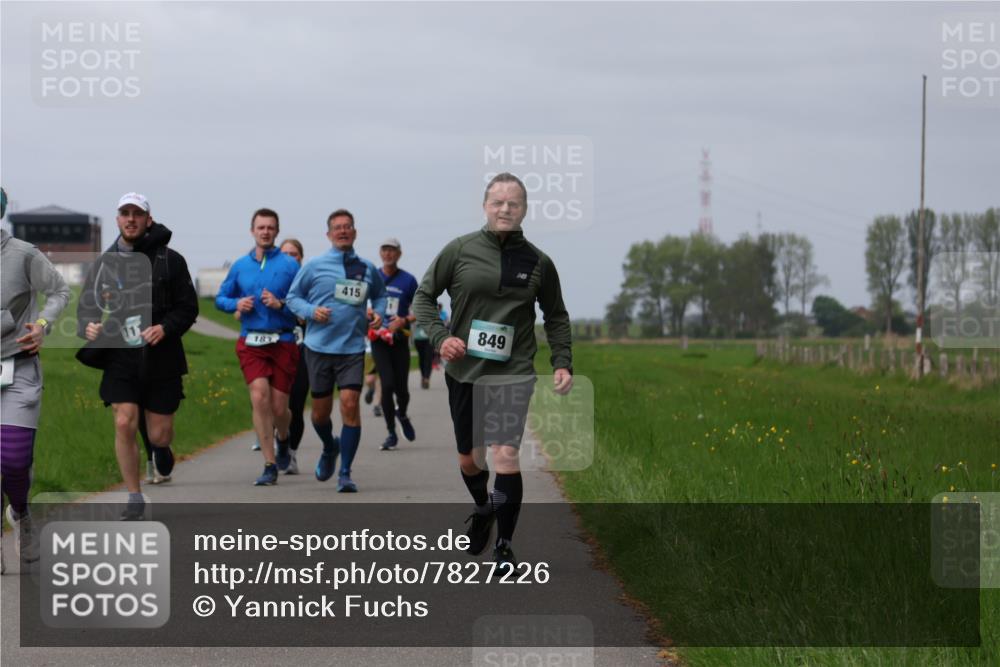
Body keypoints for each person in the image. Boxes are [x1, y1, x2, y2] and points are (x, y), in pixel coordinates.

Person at [413, 173, 573, 574]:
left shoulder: (539, 262)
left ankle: (503, 547)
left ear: (524, 209)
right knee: (471, 459)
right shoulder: (460, 250)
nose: (506, 209)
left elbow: (556, 316)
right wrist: (440, 337)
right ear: (485, 206)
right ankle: (483, 507)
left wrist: (562, 362)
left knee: (505, 455)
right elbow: (423, 297)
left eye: (514, 203)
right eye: (498, 202)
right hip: (465, 369)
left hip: (513, 371)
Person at [77, 192, 199, 520]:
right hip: (121, 356)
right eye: (124, 213)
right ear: (118, 219)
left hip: (162, 356)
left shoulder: (170, 260)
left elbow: (188, 308)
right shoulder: (104, 263)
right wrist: (88, 326)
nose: (130, 219)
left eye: (137, 213)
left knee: (159, 433)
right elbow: (87, 306)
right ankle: (134, 495)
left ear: (148, 219)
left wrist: (165, 328)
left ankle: (160, 448)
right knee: (123, 420)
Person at [286, 209, 386, 492]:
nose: (343, 231)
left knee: (351, 406)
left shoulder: (367, 268)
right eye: (337, 228)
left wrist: (377, 313)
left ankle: (345, 473)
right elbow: (293, 297)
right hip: (318, 348)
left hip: (352, 348)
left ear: (354, 232)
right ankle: (330, 447)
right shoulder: (315, 266)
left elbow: (379, 296)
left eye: (348, 227)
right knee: (319, 414)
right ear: (329, 234)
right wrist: (311, 311)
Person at [1, 186, 71, 572]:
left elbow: (59, 291)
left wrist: (42, 324)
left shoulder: (23, 254)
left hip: (19, 366)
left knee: (12, 458)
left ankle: (22, 514)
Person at [216, 209, 300, 486]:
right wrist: (235, 304)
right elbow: (221, 298)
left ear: (277, 232)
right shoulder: (240, 265)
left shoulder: (290, 266)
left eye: (270, 228)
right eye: (261, 227)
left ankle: (284, 440)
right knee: (259, 397)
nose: (265, 232)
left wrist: (281, 305)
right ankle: (269, 463)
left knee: (279, 407)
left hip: (283, 341)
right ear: (252, 231)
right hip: (251, 341)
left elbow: (302, 307)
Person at [371, 237, 419, 451]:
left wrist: (404, 320)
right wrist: (368, 314)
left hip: (399, 339)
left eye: (392, 250)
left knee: (402, 389)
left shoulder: (408, 280)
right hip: (379, 340)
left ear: (399, 254)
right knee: (387, 384)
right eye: (385, 249)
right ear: (380, 253)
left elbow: (421, 308)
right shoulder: (372, 277)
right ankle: (391, 432)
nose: (388, 254)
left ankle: (402, 413)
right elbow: (362, 302)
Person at [279, 238, 309, 474]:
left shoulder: (310, 283)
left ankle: (292, 454)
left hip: (303, 353)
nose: (290, 258)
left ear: (301, 258)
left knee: (296, 406)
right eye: (285, 253)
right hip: (275, 350)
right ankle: (278, 443)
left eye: (294, 254)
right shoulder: (273, 280)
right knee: (274, 406)